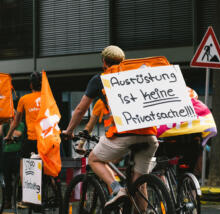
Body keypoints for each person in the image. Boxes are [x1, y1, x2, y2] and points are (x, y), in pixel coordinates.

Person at [62, 45, 159, 209]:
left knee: (93, 158)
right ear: (123, 61)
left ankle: (117, 189)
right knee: (139, 184)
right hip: (149, 136)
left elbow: (81, 109)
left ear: (104, 62)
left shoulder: (100, 78)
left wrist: (69, 130)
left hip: (124, 135)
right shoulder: (137, 74)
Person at [4, 71, 41, 179]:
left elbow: (16, 121)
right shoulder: (49, 98)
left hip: (32, 138)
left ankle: (24, 186)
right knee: (48, 171)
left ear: (30, 85)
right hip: (48, 139)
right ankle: (54, 187)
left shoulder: (24, 99)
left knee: (23, 161)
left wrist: (8, 135)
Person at [0, 116, 25, 209]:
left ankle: (19, 200)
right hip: (6, 154)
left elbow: (17, 134)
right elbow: (0, 133)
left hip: (17, 154)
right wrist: (2, 122)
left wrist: (12, 125)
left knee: (19, 178)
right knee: (7, 179)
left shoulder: (20, 125)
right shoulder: (5, 125)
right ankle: (8, 201)